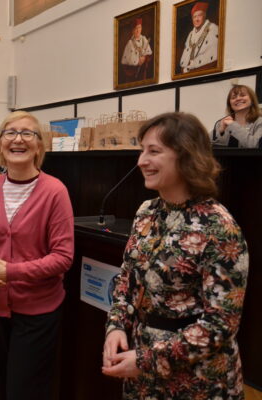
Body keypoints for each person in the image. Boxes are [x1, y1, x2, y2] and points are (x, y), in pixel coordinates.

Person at [102, 112, 248, 399]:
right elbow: (127, 278)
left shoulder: (219, 227)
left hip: (197, 379)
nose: (141, 161)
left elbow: (221, 324)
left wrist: (146, 360)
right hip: (142, 370)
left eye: (154, 151)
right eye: (142, 150)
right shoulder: (146, 211)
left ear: (186, 156)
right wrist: (116, 326)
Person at [0, 111, 75, 400]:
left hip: (37, 312)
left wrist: (11, 272)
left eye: (27, 133)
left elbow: (63, 257)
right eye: (10, 133)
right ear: (0, 144)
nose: (18, 139)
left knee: (24, 391)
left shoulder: (55, 192)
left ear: (40, 145)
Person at [179, 2, 219, 74]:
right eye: (194, 17)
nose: (196, 19)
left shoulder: (213, 29)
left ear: (204, 16)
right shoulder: (191, 34)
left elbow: (213, 58)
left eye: (199, 15)